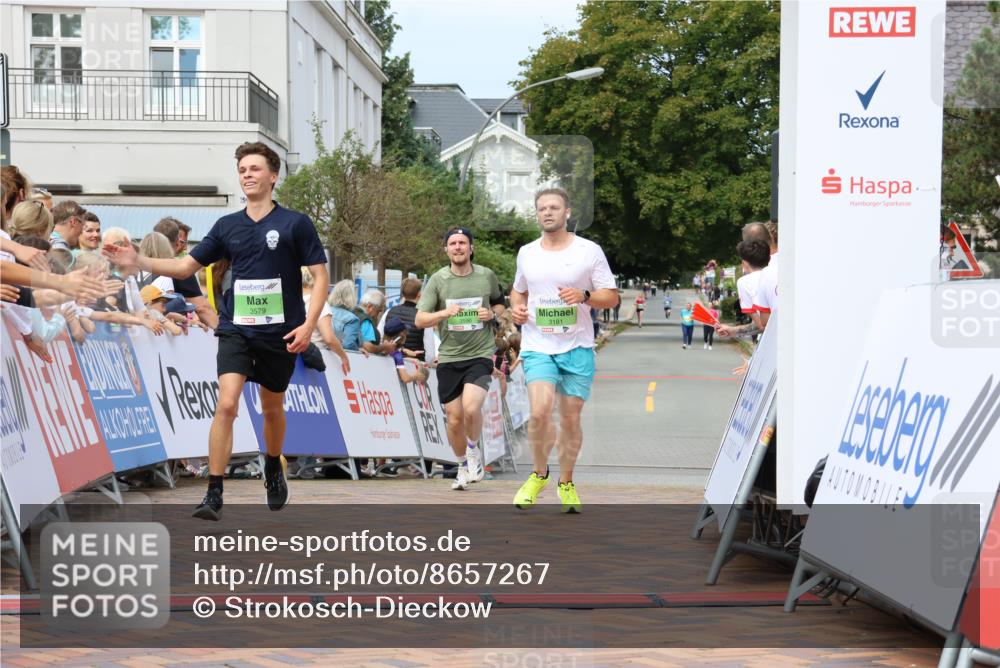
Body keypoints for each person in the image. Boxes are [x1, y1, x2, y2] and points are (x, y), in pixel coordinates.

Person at [104, 141, 328, 522]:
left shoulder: (295, 223)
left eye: (255, 169)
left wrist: (308, 325)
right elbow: (183, 267)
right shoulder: (227, 226)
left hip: (281, 333)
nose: (247, 175)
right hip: (236, 329)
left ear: (273, 176)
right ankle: (214, 492)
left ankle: (273, 464)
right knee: (227, 403)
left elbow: (321, 276)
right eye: (242, 170)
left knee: (273, 408)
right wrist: (138, 259)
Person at [510, 187, 618, 513]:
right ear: (537, 213)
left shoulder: (589, 251)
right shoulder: (527, 252)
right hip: (538, 345)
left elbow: (611, 297)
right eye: (542, 208)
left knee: (570, 419)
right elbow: (518, 294)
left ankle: (566, 482)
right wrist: (517, 311)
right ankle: (538, 473)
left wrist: (584, 296)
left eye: (554, 207)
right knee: (540, 412)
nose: (547, 213)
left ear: (567, 212)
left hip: (577, 346)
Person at [415, 226, 505, 491]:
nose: (457, 247)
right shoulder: (438, 280)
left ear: (471, 248)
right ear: (446, 249)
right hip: (450, 357)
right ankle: (462, 466)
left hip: (479, 354)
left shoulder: (486, 276)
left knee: (471, 407)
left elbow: (500, 303)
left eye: (462, 243)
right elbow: (421, 319)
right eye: (452, 243)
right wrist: (444, 314)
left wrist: (492, 315)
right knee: (453, 419)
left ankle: (473, 450)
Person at [154, 216, 218, 329]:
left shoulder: (136, 266)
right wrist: (223, 333)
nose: (184, 248)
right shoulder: (177, 270)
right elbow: (202, 308)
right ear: (176, 242)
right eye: (183, 242)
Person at [384, 277, 426, 361]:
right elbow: (429, 348)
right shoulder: (424, 316)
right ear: (419, 294)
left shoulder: (389, 311)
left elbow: (381, 336)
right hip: (415, 363)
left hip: (391, 361)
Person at [329, 279, 364, 351]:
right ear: (353, 297)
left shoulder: (324, 311)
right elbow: (348, 344)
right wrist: (358, 350)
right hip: (343, 358)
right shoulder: (352, 319)